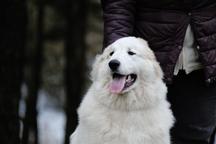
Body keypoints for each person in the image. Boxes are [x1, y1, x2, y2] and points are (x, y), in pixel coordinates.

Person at [101, 0, 216, 144]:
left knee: (196, 137)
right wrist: (119, 52)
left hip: (203, 64)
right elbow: (119, 5)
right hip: (142, 71)